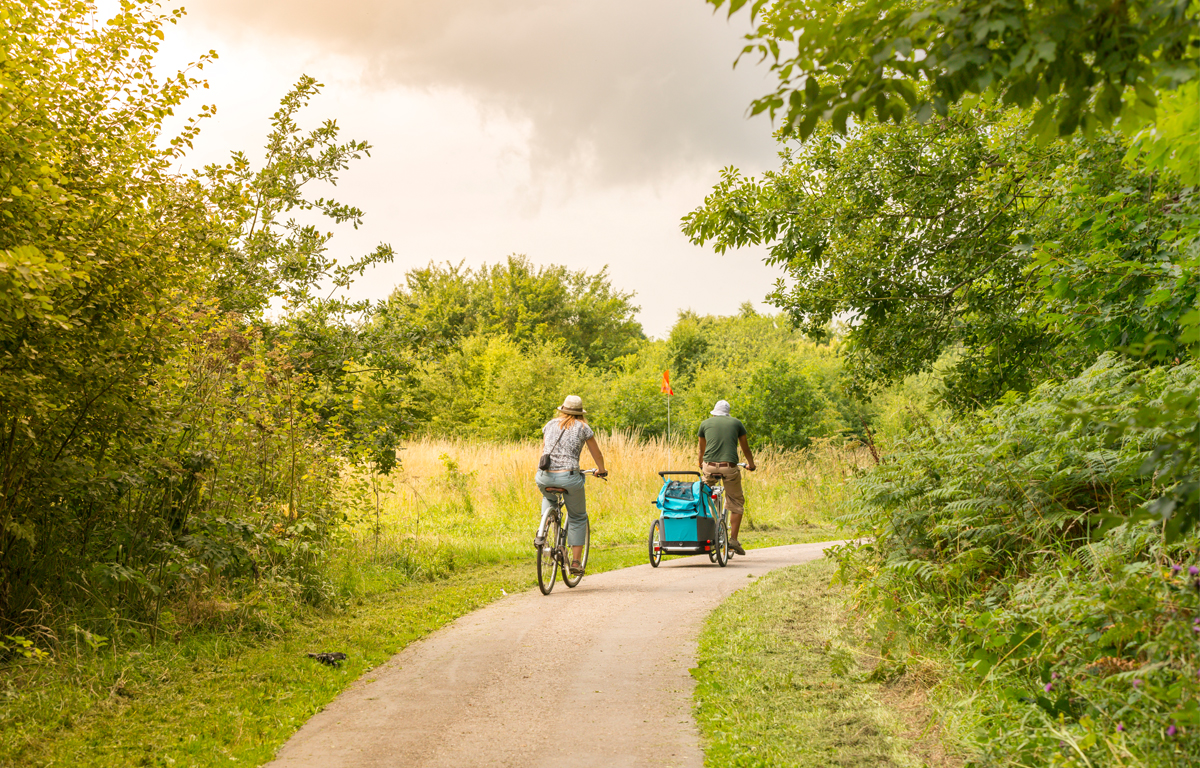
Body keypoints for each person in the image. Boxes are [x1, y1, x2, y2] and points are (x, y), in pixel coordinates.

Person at [535, 395, 608, 575]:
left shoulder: (550, 425)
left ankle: (543, 530)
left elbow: (544, 450)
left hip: (544, 476)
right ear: (580, 412)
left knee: (548, 497)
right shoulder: (583, 427)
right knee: (577, 516)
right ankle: (575, 562)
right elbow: (596, 453)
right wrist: (601, 469)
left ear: (562, 410)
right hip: (568, 477)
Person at [697, 399, 755, 556]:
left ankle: (705, 533)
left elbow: (701, 449)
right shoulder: (736, 423)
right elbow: (745, 447)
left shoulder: (705, 423)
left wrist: (700, 463)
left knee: (702, 497)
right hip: (728, 467)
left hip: (708, 467)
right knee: (736, 502)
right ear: (728, 413)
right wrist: (751, 464)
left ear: (714, 413)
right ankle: (733, 541)